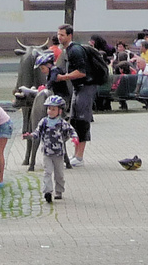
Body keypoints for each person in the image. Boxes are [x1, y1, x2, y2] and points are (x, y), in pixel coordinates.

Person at [54, 23, 96, 166]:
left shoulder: (75, 51)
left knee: (82, 121)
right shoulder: (68, 50)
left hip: (85, 88)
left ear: (69, 36)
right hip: (79, 89)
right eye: (58, 34)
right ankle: (76, 155)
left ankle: (79, 157)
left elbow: (81, 72)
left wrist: (63, 77)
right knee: (75, 121)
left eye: (62, 35)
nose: (59, 37)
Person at [24, 93, 75, 203]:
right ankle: (48, 191)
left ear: (59, 111)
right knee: (47, 172)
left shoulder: (62, 123)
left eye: (53, 109)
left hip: (59, 153)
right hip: (47, 152)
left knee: (59, 174)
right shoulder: (44, 122)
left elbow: (71, 130)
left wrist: (74, 137)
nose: (50, 111)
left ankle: (59, 190)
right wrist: (31, 135)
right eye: (49, 109)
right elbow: (37, 132)